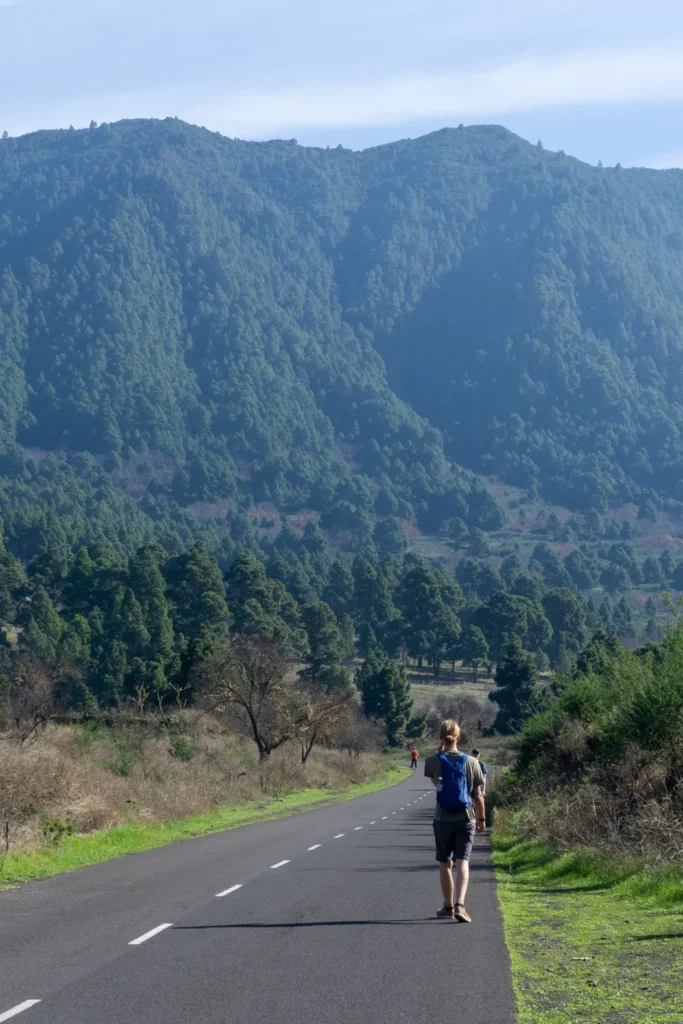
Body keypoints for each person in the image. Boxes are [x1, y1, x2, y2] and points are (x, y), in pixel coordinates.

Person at [424, 719, 486, 923]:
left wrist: (439, 753)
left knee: (445, 862)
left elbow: (436, 784)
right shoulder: (472, 762)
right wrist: (481, 818)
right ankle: (460, 905)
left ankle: (448, 905)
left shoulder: (432, 761)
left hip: (442, 818)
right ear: (458, 736)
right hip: (465, 817)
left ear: (441, 738)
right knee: (462, 862)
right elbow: (478, 795)